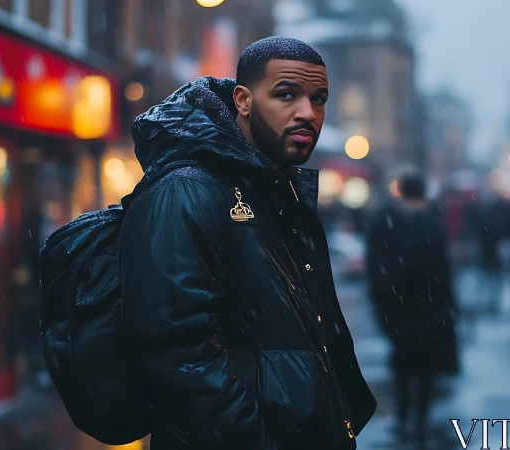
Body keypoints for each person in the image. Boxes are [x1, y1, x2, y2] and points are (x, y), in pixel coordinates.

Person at [119, 37, 376, 449]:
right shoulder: (186, 190)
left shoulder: (278, 189)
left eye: (319, 98)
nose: (308, 113)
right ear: (243, 100)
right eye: (286, 95)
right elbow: (174, 355)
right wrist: (254, 437)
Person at [366, 171, 459, 450]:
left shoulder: (386, 221)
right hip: (429, 306)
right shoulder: (432, 222)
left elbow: (376, 263)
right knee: (427, 366)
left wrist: (383, 298)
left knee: (402, 363)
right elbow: (443, 270)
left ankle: (405, 417)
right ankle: (419, 419)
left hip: (398, 306)